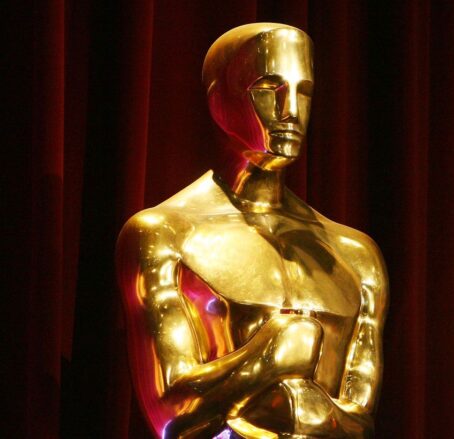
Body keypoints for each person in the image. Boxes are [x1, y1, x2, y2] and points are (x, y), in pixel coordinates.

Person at [116, 23, 388, 438]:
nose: (290, 111)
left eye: (304, 92)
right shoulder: (165, 234)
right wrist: (272, 354)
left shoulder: (356, 255)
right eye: (268, 89)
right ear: (219, 99)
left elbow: (361, 424)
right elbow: (171, 415)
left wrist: (289, 401)